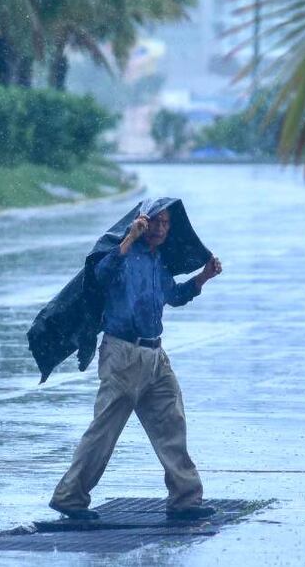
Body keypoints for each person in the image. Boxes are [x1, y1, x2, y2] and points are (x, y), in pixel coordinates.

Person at [48, 203, 222, 521]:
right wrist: (128, 240)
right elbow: (99, 277)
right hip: (122, 355)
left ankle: (185, 499)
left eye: (165, 224)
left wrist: (203, 278)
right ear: (140, 224)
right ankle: (70, 497)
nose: (159, 229)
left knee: (172, 423)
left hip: (155, 355)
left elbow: (174, 295)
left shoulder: (159, 262)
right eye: (153, 223)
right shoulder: (123, 255)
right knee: (104, 430)